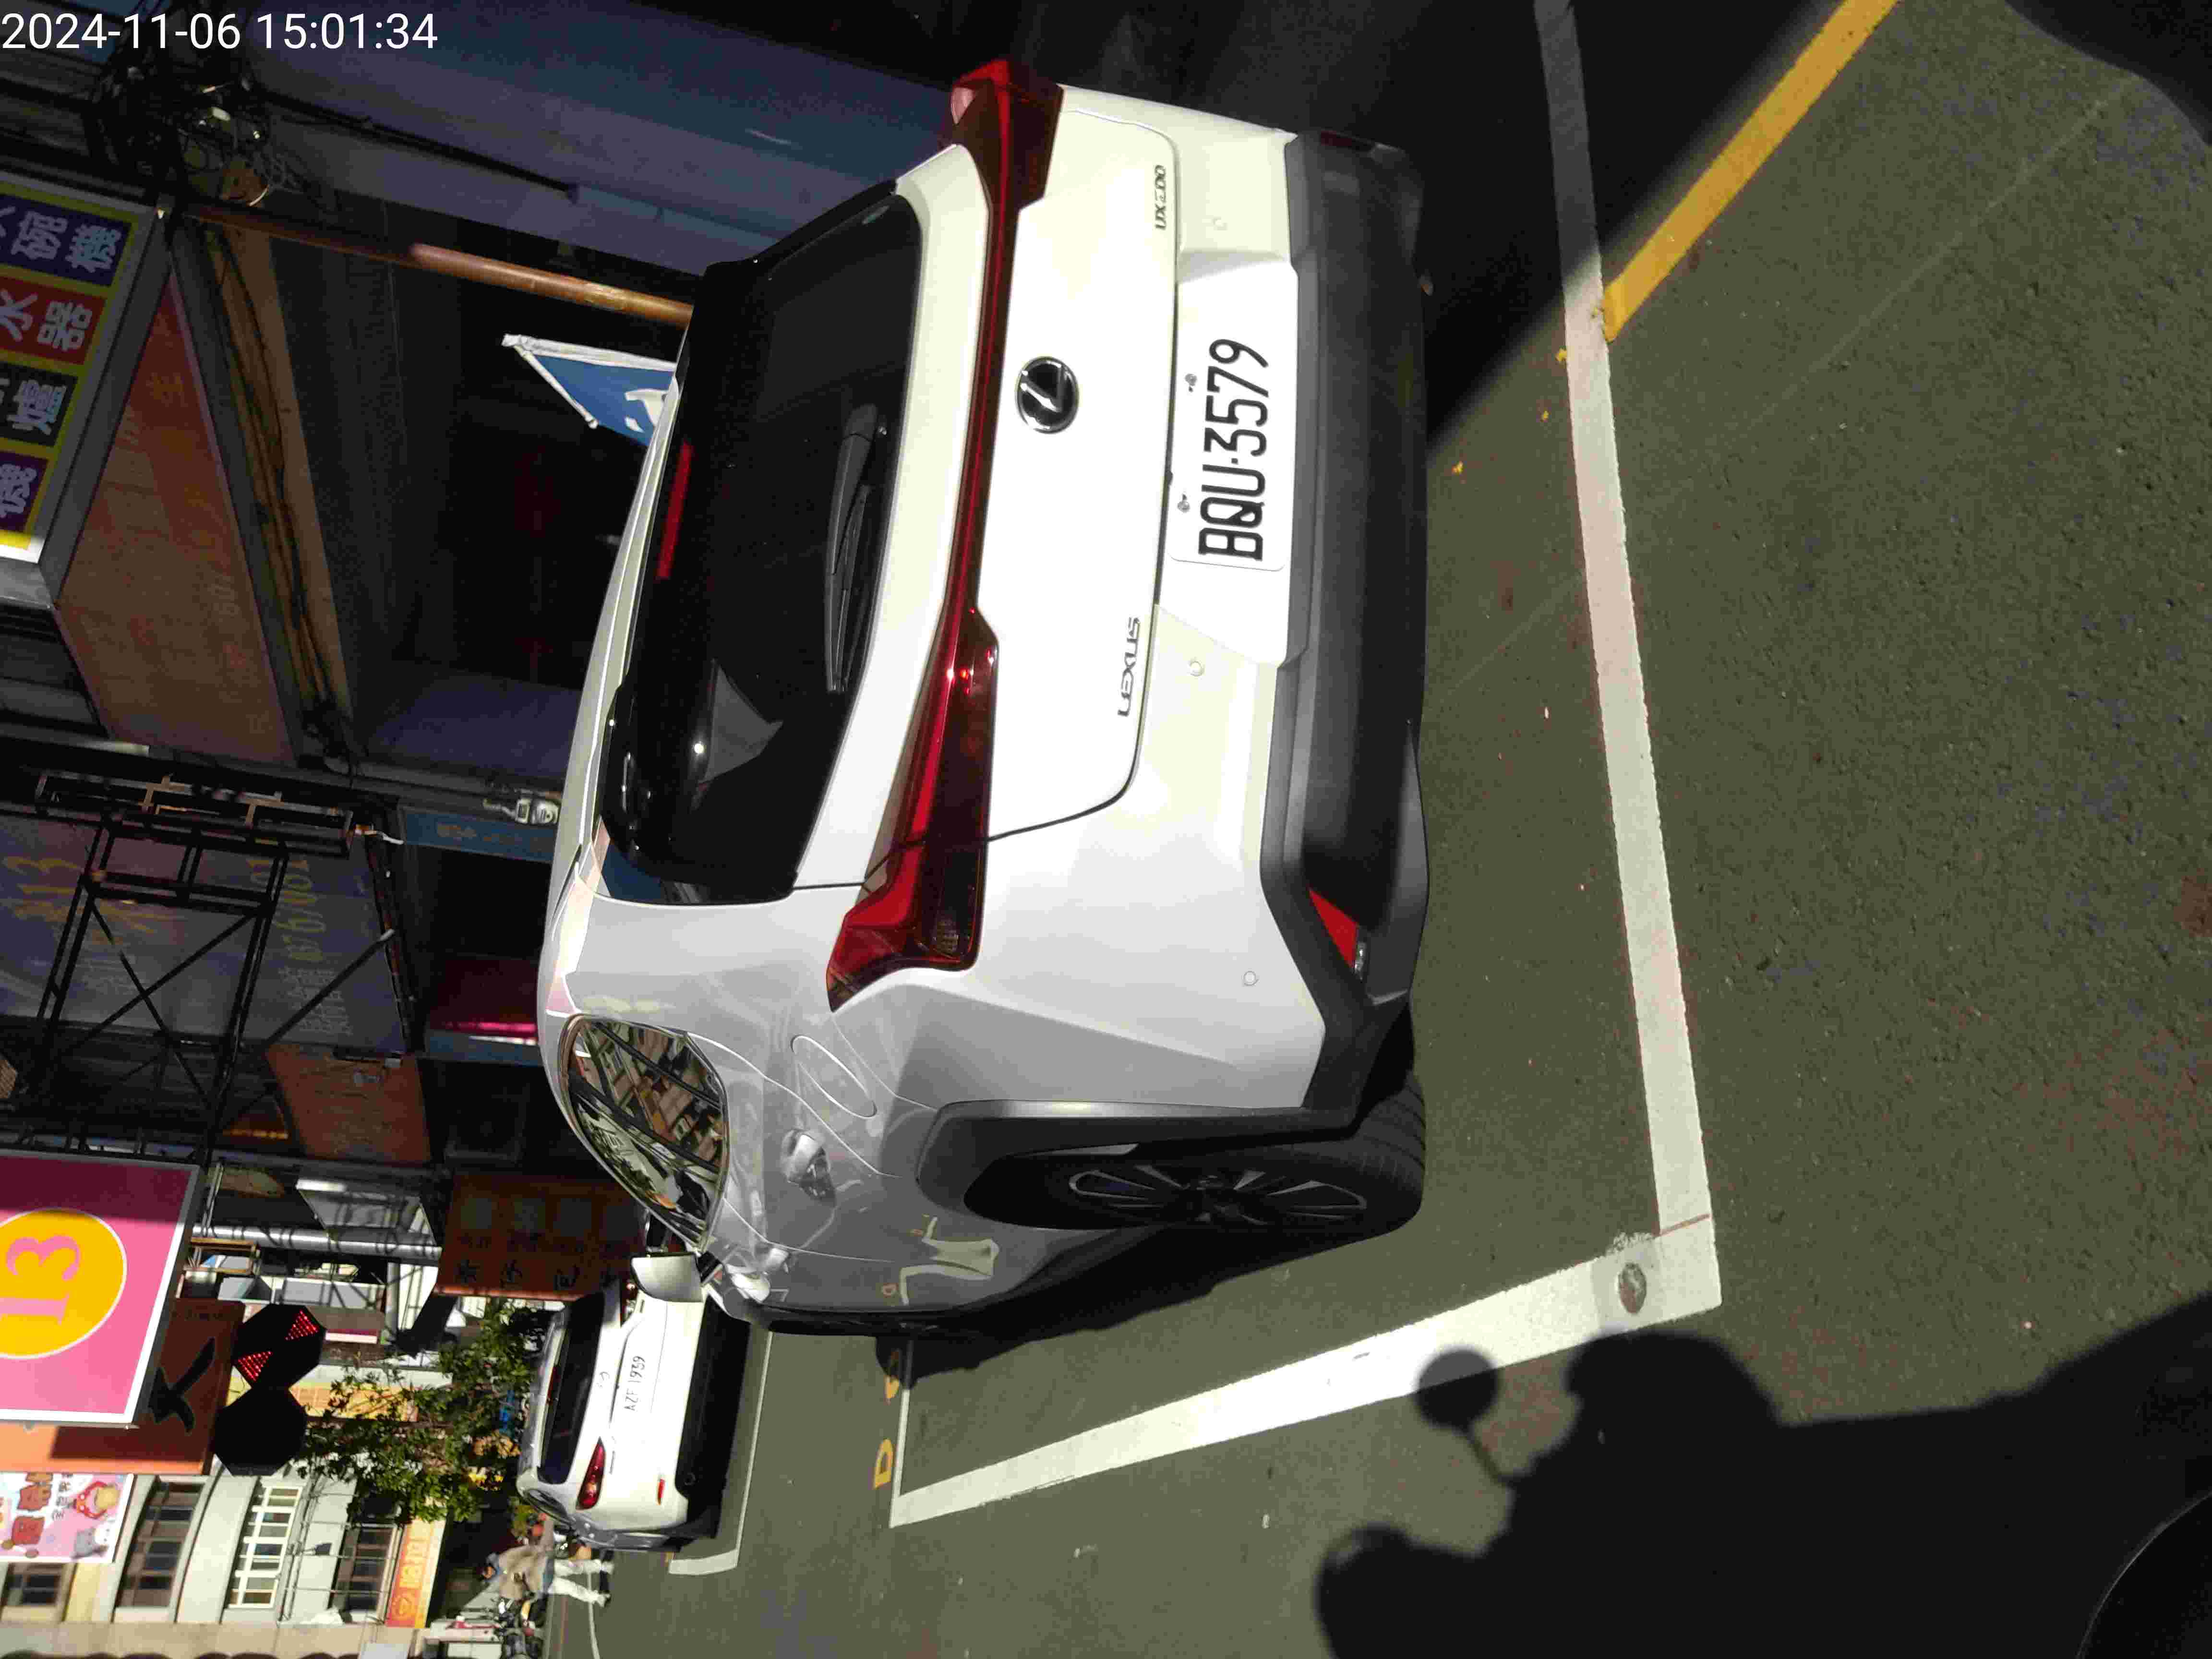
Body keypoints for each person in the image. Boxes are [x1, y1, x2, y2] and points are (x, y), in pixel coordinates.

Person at [482, 1541, 613, 1608]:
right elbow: (519, 1595)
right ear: (486, 1578)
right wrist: (518, 1583)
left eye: (486, 1569)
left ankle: (601, 1566)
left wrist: (544, 1550)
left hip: (543, 1564)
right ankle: (597, 1598)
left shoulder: (503, 1559)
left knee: (574, 1567)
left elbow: (526, 1550)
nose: (488, 1572)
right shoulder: (502, 1588)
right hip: (542, 1584)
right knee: (572, 1589)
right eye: (485, 1574)